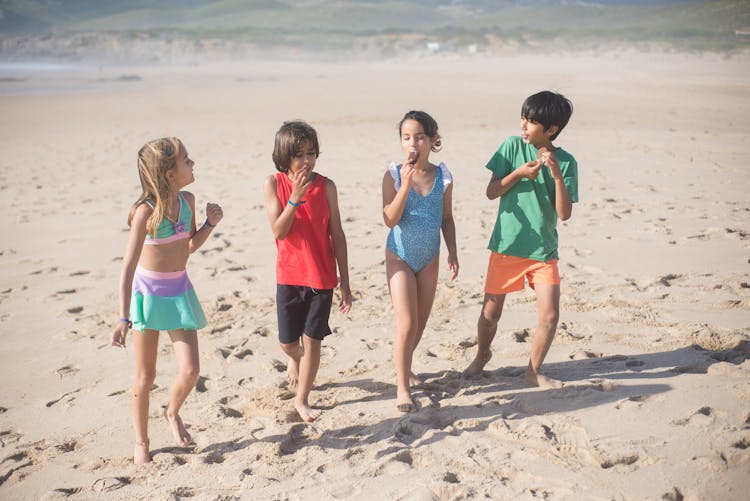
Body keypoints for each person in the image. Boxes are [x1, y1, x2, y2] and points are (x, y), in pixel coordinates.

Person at [111, 137, 223, 464]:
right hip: (148, 297)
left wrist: (209, 224)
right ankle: (142, 441)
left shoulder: (187, 200)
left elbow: (187, 246)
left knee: (190, 371)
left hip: (179, 293)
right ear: (169, 173)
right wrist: (122, 317)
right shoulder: (144, 213)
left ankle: (171, 412)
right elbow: (128, 267)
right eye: (186, 160)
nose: (193, 164)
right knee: (145, 377)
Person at [464, 90, 578, 388]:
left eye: (530, 122)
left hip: (542, 250)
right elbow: (491, 191)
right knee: (490, 315)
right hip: (507, 245)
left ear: (551, 129)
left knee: (550, 316)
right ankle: (481, 354)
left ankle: (533, 370)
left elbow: (564, 214)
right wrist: (517, 173)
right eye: (523, 119)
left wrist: (555, 176)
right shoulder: (511, 146)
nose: (523, 126)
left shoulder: (566, 162)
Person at [263, 120, 352, 423]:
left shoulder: (326, 186)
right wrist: (295, 198)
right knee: (288, 342)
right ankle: (294, 361)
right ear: (284, 156)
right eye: (299, 154)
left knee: (312, 339)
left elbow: (337, 234)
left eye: (311, 153)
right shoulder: (274, 184)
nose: (306, 160)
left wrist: (346, 283)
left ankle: (302, 399)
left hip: (321, 276)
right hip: (288, 275)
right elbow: (279, 230)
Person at [382, 110, 459, 413]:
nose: (412, 143)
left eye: (419, 137)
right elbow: (389, 219)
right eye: (406, 137)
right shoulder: (392, 174)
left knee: (420, 323)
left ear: (433, 139)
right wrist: (404, 185)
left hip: (430, 256)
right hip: (399, 255)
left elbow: (447, 218)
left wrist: (452, 251)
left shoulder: (444, 176)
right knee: (407, 322)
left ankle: (405, 366)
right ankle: (402, 388)